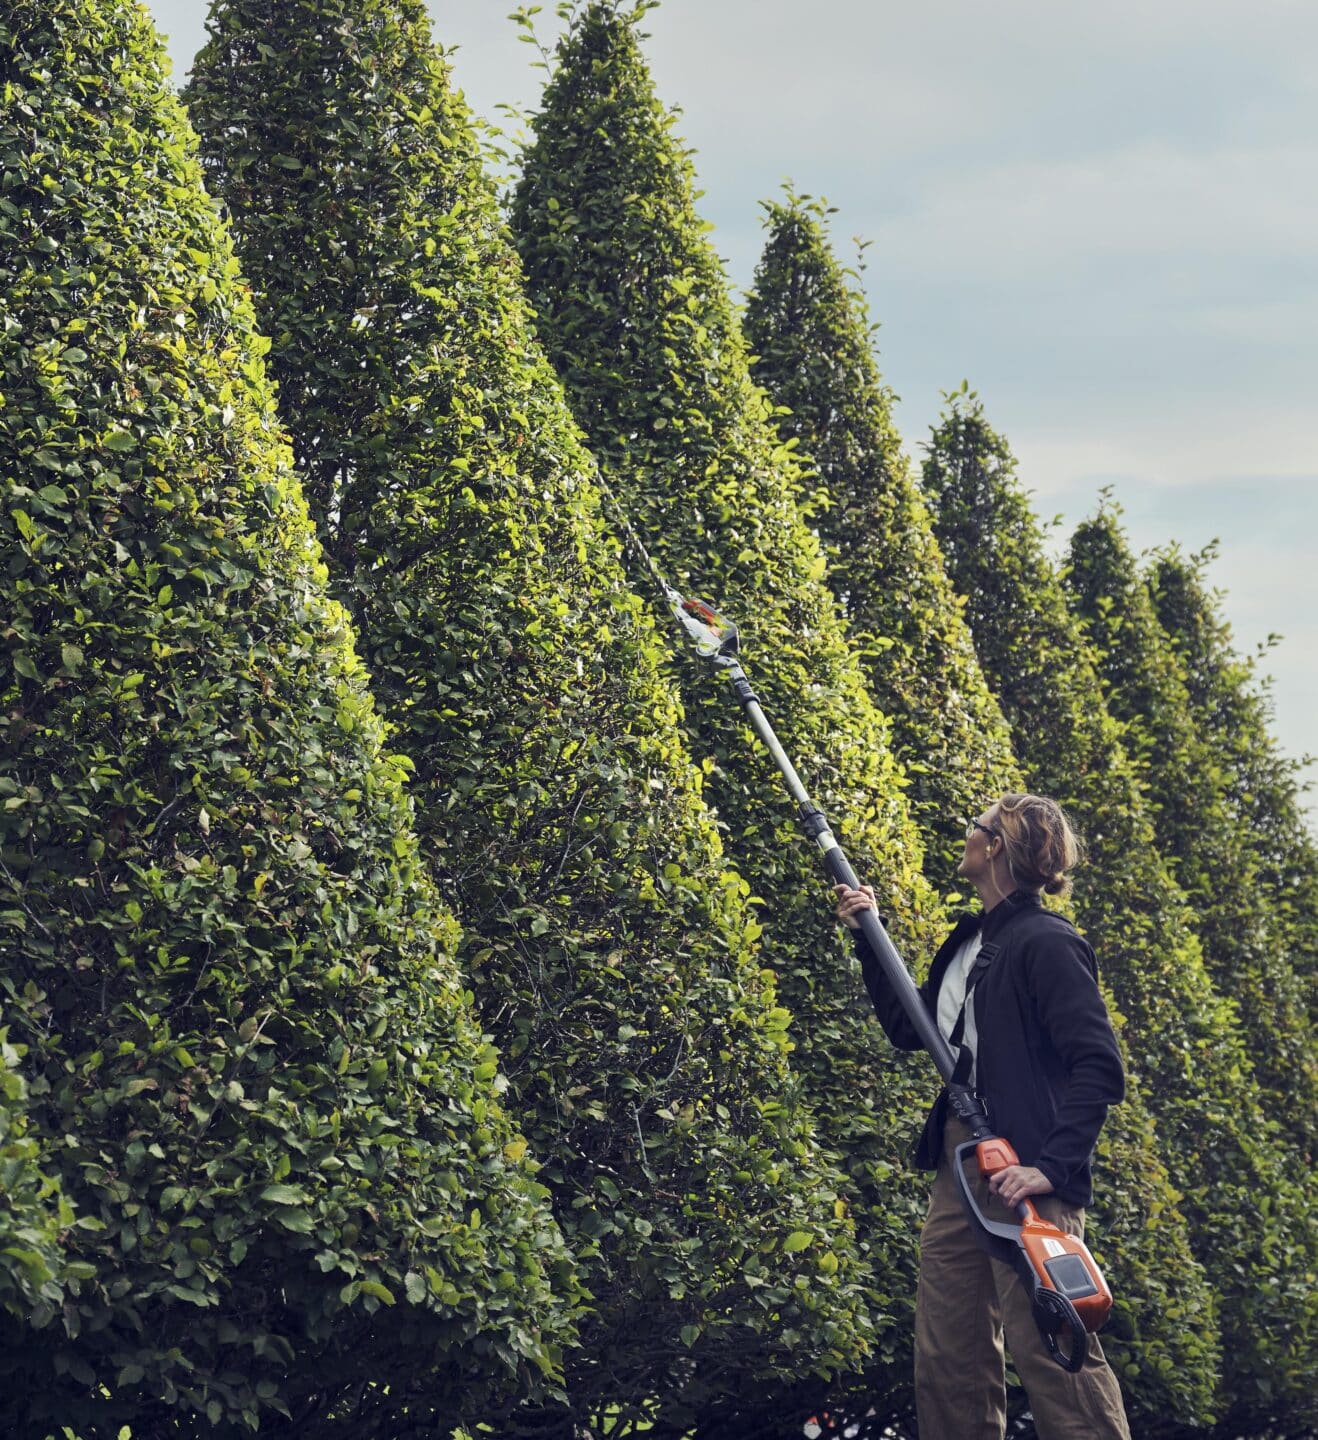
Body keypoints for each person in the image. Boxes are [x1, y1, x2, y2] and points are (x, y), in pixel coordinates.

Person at [835, 792, 1131, 1440]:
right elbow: (912, 1029)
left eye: (978, 825)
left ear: (995, 846)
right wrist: (868, 936)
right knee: (949, 1355)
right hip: (960, 1164)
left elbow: (1099, 1067)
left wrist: (1048, 1169)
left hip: (1024, 1170)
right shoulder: (973, 938)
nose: (967, 832)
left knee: (1055, 1358)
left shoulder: (1049, 942)